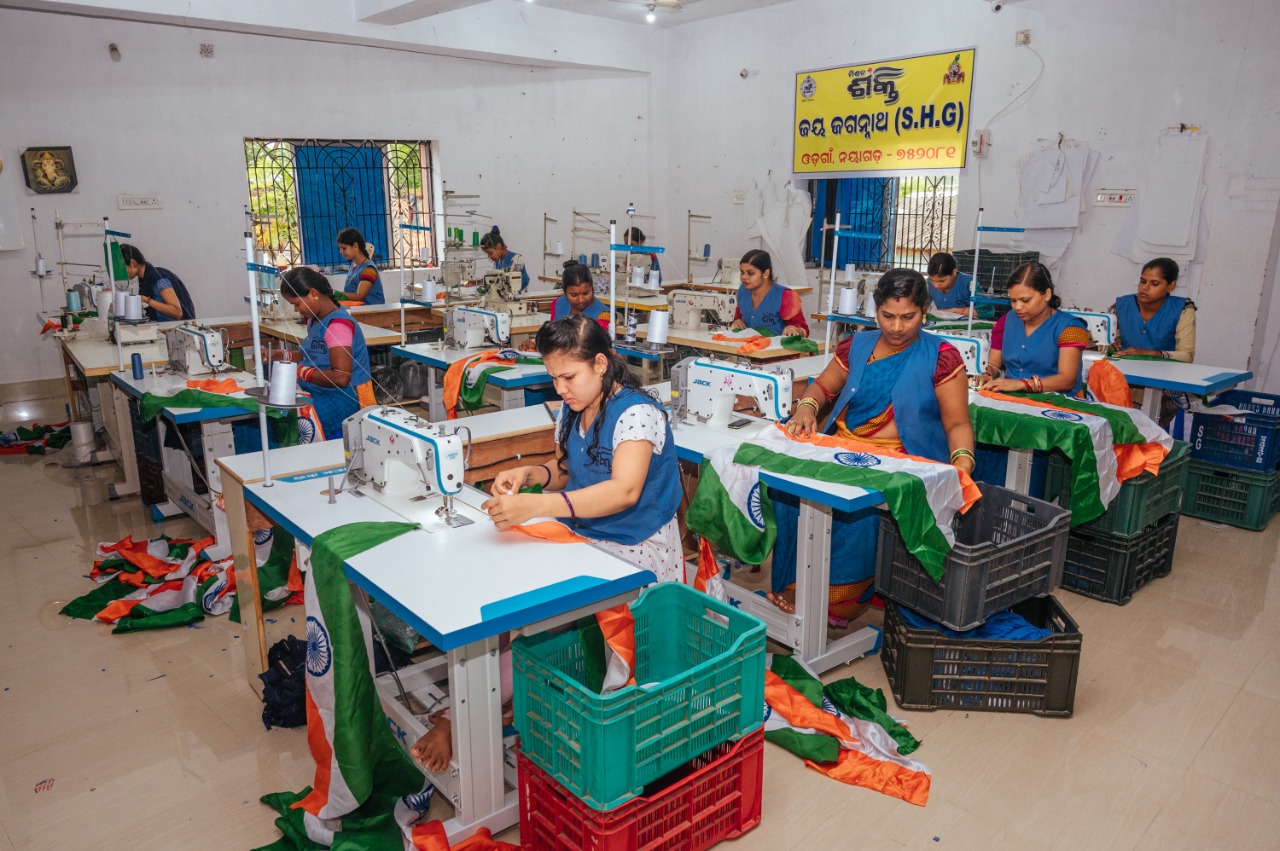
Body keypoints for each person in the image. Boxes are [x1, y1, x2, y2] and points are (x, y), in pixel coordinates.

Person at [412, 313, 682, 772]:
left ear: (600, 364)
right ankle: (488, 699)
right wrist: (530, 475)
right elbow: (565, 472)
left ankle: (467, 714)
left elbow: (624, 490)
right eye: (554, 378)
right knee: (500, 581)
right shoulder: (574, 408)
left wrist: (537, 507)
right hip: (586, 535)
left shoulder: (637, 414)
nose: (561, 389)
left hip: (638, 550)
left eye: (568, 377)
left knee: (530, 609)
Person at [771, 268, 975, 623]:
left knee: (855, 509)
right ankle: (796, 580)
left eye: (908, 317)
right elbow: (822, 388)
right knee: (788, 492)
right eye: (888, 316)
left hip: (901, 457)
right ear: (875, 309)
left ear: (924, 312)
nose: (897, 327)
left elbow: (957, 422)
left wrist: (962, 465)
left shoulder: (941, 357)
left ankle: (839, 596)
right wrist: (806, 407)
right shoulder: (857, 345)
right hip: (844, 446)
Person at [268, 268, 374, 440]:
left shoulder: (338, 325)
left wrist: (301, 372)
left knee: (284, 422)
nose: (296, 310)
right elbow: (308, 356)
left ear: (314, 294)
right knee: (267, 414)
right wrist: (281, 356)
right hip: (319, 390)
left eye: (297, 303)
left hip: (344, 397)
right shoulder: (315, 320)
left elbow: (341, 377)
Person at [977, 262, 1090, 396]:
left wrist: (1020, 384)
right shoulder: (1006, 321)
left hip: (1058, 403)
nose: (1017, 307)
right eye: (1013, 301)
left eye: (1025, 300)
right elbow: (994, 364)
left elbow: (1066, 380)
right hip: (1011, 398)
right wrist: (987, 374)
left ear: (1047, 295)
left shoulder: (1070, 327)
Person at [1113, 257, 1196, 361]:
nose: (1145, 287)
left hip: (1164, 372)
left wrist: (1150, 353)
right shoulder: (1123, 305)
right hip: (1122, 371)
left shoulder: (1182, 309)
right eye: (1143, 281)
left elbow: (1187, 356)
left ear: (1171, 286)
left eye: (1154, 283)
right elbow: (1109, 341)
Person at [520, 261, 610, 351]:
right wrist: (537, 346)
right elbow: (553, 338)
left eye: (586, 293)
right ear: (564, 292)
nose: (581, 299)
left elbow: (598, 350)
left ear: (592, 288)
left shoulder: (603, 315)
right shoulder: (558, 304)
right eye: (574, 295)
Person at [729, 249, 810, 337]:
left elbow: (804, 330)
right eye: (742, 272)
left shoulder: (785, 296)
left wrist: (795, 329)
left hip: (777, 349)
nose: (744, 277)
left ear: (766, 273)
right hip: (750, 348)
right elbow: (738, 318)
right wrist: (736, 322)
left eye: (750, 273)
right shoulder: (742, 291)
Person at [120, 244, 196, 321]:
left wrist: (147, 300)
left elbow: (177, 312)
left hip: (180, 328)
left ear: (133, 263)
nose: (121, 273)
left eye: (122, 268)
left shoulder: (159, 280)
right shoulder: (145, 278)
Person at [336, 227, 384, 305]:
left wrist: (337, 296)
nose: (341, 251)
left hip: (372, 313)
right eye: (340, 248)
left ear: (355, 246)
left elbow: (359, 296)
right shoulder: (353, 265)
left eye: (344, 248)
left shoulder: (368, 270)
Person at [479, 227, 530, 293]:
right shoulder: (497, 262)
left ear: (498, 246)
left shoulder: (517, 259)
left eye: (490, 253)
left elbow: (511, 282)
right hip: (505, 295)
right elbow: (491, 279)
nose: (489, 257)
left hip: (520, 295)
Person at [926, 251, 974, 316]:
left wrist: (953, 311)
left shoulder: (969, 283)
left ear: (954, 272)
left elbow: (988, 311)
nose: (936, 285)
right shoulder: (928, 283)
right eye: (932, 280)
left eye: (941, 281)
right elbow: (921, 305)